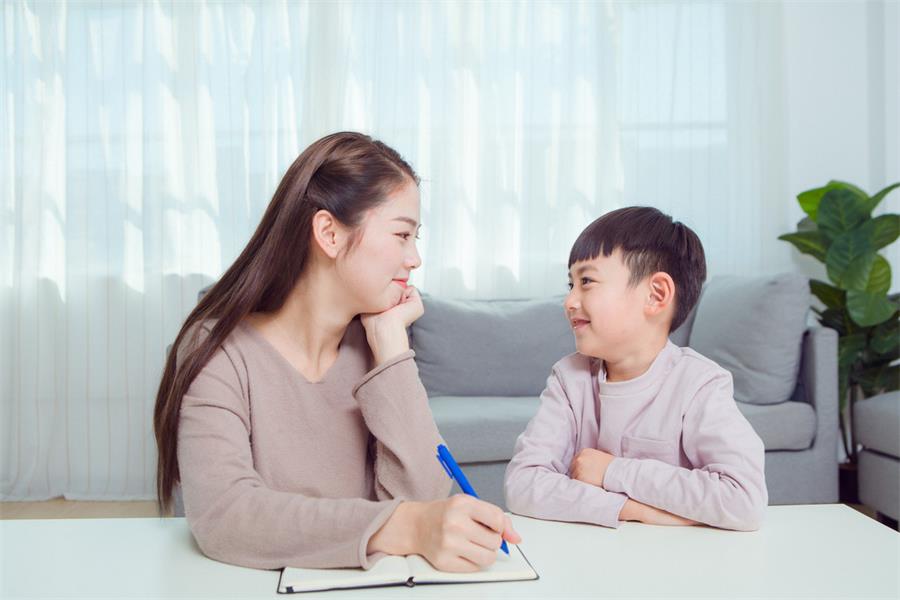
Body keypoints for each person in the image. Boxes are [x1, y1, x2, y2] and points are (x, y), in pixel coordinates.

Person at [154, 132, 520, 572]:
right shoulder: (218, 350)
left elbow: (424, 498)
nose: (415, 259)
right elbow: (225, 515)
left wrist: (390, 346)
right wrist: (407, 527)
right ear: (329, 233)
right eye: (403, 234)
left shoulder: (376, 347)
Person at [504, 206, 767, 531]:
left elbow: (744, 500)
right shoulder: (569, 378)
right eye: (570, 284)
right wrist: (631, 508)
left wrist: (612, 471)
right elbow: (522, 484)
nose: (569, 301)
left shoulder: (700, 384)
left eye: (586, 281)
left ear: (656, 295)